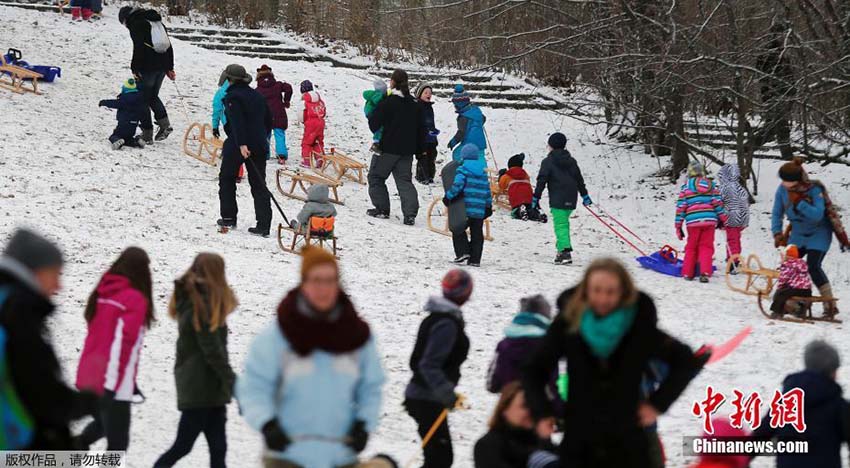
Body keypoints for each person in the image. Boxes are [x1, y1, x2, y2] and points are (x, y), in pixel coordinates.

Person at [522, 258, 706, 468]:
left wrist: (657, 404)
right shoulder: (570, 322)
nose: (603, 298)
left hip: (627, 441)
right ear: (585, 291)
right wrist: (542, 412)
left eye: (610, 292)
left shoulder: (637, 324)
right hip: (580, 441)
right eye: (597, 290)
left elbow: (685, 360)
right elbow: (533, 370)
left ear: (623, 293)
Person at [236, 246, 384, 468]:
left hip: (340, 455)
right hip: (287, 455)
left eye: (330, 280)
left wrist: (364, 423)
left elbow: (371, 388)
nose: (323, 288)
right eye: (316, 280)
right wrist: (267, 423)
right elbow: (254, 387)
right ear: (303, 283)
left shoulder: (356, 337)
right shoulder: (277, 337)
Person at [0, 229, 96, 449]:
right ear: (35, 271)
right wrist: (90, 403)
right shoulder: (19, 313)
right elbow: (43, 394)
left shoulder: (7, 303)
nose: (58, 286)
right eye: (55, 274)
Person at [154, 253, 237, 468]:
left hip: (211, 389)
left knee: (218, 449)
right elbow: (212, 352)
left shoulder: (204, 300)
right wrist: (233, 382)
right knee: (183, 446)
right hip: (199, 388)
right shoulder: (200, 306)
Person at [74, 247, 154, 451]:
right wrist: (114, 384)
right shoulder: (134, 299)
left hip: (89, 374)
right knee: (117, 446)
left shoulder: (103, 292)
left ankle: (70, 450)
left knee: (102, 425)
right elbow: (123, 342)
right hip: (111, 384)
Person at [404, 269, 473, 468]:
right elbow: (428, 365)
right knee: (440, 460)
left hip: (425, 396)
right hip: (426, 397)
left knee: (438, 458)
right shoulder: (446, 323)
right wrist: (446, 393)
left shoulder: (440, 317)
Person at [752, 340, 850, 468]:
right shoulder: (839, 406)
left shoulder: (785, 404)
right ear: (832, 371)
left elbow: (759, 437)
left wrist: (739, 461)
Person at [771, 157, 840, 316]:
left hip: (819, 232)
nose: (783, 183)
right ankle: (793, 303)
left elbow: (817, 215)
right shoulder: (782, 190)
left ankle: (830, 305)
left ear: (797, 180)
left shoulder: (814, 189)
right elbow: (776, 213)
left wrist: (800, 203)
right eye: (782, 180)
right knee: (790, 266)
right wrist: (777, 233)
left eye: (786, 181)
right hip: (798, 233)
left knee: (813, 266)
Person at [215, 64, 274, 237]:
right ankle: (264, 224)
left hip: (238, 144)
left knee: (227, 178)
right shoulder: (257, 95)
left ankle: (228, 217)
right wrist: (261, 137)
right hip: (259, 143)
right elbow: (268, 120)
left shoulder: (233, 97)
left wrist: (242, 144)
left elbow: (237, 122)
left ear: (229, 79)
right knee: (259, 183)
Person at [366, 69, 421, 226]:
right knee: (404, 181)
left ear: (392, 82)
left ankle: (382, 209)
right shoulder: (414, 104)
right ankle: (410, 215)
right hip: (407, 151)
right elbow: (421, 128)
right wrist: (420, 149)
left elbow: (374, 124)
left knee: (376, 177)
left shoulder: (388, 102)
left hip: (387, 149)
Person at [532, 132, 592, 265]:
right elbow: (579, 179)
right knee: (563, 224)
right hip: (571, 198)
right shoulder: (572, 161)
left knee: (561, 225)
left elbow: (542, 180)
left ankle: (565, 252)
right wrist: (584, 195)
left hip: (557, 198)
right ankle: (561, 250)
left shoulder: (548, 162)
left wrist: (536, 197)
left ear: (551, 145)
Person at [118, 6, 175, 144]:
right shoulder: (156, 22)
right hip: (162, 67)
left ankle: (147, 133)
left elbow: (139, 48)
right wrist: (169, 67)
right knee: (152, 96)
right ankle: (165, 125)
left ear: (126, 19)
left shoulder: (136, 24)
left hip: (147, 68)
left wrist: (135, 68)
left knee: (142, 99)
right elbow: (169, 46)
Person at [474, 381, 556, 468]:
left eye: (534, 407)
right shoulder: (488, 445)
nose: (530, 411)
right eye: (524, 405)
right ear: (505, 409)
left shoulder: (545, 444)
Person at [675, 160, 728, 283]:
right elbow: (718, 204)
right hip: (709, 221)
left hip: (693, 222)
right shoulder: (711, 186)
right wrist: (722, 219)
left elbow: (681, 207)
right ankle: (705, 272)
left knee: (691, 247)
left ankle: (688, 273)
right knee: (706, 247)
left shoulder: (686, 188)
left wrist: (678, 226)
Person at [487, 295, 552, 394]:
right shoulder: (547, 347)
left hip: (511, 401)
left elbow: (492, 385)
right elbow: (552, 386)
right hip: (539, 401)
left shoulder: (504, 344)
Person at [443, 143, 493, 267]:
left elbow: (457, 186)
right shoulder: (483, 173)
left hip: (465, 208)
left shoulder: (463, 170)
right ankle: (475, 259)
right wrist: (488, 206)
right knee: (477, 234)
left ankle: (463, 252)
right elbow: (487, 191)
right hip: (479, 210)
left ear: (463, 156)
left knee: (457, 228)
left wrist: (448, 196)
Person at [256, 65, 293, 165]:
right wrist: (286, 101)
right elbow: (288, 88)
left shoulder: (258, 90)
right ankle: (281, 155)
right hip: (279, 113)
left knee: (265, 135)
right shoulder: (278, 85)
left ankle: (265, 154)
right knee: (279, 134)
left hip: (265, 116)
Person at [211, 69, 244, 183]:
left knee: (236, 145)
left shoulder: (221, 93)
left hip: (229, 123)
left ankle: (236, 173)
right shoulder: (243, 90)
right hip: (244, 122)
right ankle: (237, 171)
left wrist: (215, 127)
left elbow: (217, 110)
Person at [716, 163, 750, 272]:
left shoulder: (725, 188)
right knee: (736, 239)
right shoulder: (740, 188)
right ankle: (735, 256)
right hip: (743, 218)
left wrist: (719, 217)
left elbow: (719, 202)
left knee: (731, 240)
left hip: (731, 218)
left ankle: (733, 261)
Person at [99, 78, 146, 150]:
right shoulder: (139, 99)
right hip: (134, 124)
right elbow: (143, 111)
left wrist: (104, 102)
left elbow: (114, 103)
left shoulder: (124, 99)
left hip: (124, 123)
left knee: (114, 135)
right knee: (128, 138)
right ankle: (136, 141)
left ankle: (117, 140)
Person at [499, 153, 545, 222]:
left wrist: (501, 175)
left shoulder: (507, 175)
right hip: (528, 197)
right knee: (529, 209)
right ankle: (537, 214)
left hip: (516, 197)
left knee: (515, 211)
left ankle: (520, 210)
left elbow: (501, 185)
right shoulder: (525, 174)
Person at [770, 244, 813, 318]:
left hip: (796, 289)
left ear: (787, 256)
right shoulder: (802, 263)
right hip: (807, 291)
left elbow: (783, 278)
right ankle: (799, 307)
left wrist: (779, 287)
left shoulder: (788, 264)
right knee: (785, 292)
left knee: (780, 294)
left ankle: (777, 312)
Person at [447, 84, 487, 163]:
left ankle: (462, 169)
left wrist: (453, 142)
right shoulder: (475, 110)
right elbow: (483, 118)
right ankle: (481, 169)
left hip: (469, 144)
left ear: (458, 105)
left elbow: (461, 133)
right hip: (481, 144)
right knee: (480, 159)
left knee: (457, 154)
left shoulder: (463, 117)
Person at [294, 80, 327, 168]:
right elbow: (324, 111)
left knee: (307, 143)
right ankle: (320, 158)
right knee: (318, 141)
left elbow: (300, 115)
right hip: (320, 122)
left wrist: (303, 121)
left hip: (310, 123)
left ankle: (307, 161)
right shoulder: (319, 100)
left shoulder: (304, 101)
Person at [415, 82, 440, 185]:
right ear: (419, 95)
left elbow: (431, 122)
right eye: (425, 93)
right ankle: (422, 176)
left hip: (431, 138)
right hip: (422, 138)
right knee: (423, 157)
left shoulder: (429, 107)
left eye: (430, 93)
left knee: (432, 156)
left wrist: (434, 131)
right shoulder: (417, 107)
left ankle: (430, 176)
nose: (428, 95)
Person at [363, 79, 388, 154]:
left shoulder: (374, 94)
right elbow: (381, 105)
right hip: (372, 113)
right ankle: (376, 144)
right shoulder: (379, 96)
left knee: (378, 128)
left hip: (369, 112)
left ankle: (377, 143)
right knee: (380, 128)